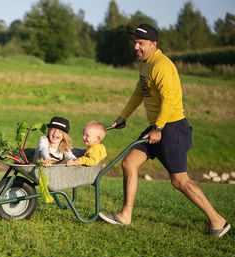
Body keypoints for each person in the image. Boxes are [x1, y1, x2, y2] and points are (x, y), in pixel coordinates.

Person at [98, 24, 230, 237]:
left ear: (153, 44)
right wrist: (123, 117)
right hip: (157, 127)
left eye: (141, 43)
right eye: (135, 43)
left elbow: (169, 99)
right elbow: (138, 94)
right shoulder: (146, 65)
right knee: (129, 163)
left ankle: (218, 221)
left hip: (171, 128)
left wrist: (158, 127)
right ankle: (125, 215)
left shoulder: (162, 65)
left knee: (180, 181)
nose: (136, 47)